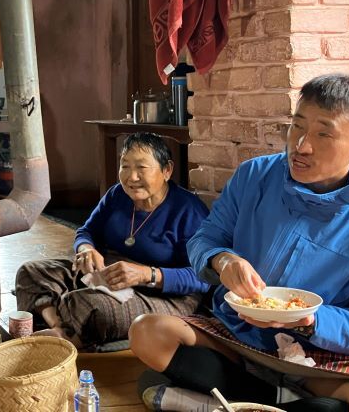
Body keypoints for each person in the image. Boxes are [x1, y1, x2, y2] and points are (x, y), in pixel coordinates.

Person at [129, 74, 349, 412]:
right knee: (147, 332)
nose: (301, 146)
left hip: (317, 358)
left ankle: (222, 401)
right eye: (297, 126)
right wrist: (223, 260)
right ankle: (276, 401)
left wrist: (310, 321)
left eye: (324, 134)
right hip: (236, 337)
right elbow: (206, 238)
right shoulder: (255, 175)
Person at [15, 132, 211, 349]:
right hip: (112, 276)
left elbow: (203, 278)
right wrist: (86, 249)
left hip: (167, 295)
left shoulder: (189, 211)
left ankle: (67, 335)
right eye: (125, 166)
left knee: (91, 304)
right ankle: (60, 328)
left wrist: (147, 274)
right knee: (31, 272)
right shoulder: (117, 195)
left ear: (167, 170)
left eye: (141, 167)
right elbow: (87, 231)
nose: (131, 177)